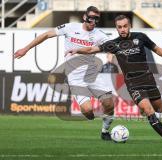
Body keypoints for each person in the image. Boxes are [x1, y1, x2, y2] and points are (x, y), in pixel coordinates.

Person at [66, 15, 162, 144]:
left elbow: (156, 49)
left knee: (159, 109)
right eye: (119, 27)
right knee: (149, 110)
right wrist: (77, 50)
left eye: (125, 26)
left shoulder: (141, 37)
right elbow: (92, 49)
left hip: (148, 79)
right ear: (116, 28)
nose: (122, 29)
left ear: (130, 26)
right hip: (133, 84)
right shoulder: (113, 44)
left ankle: (143, 109)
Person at [14, 6, 115, 141]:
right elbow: (46, 35)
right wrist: (25, 49)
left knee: (109, 103)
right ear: (85, 17)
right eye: (91, 18)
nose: (94, 21)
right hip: (75, 77)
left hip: (93, 75)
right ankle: (90, 113)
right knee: (88, 112)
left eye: (97, 19)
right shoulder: (70, 27)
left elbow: (113, 47)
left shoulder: (100, 35)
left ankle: (104, 131)